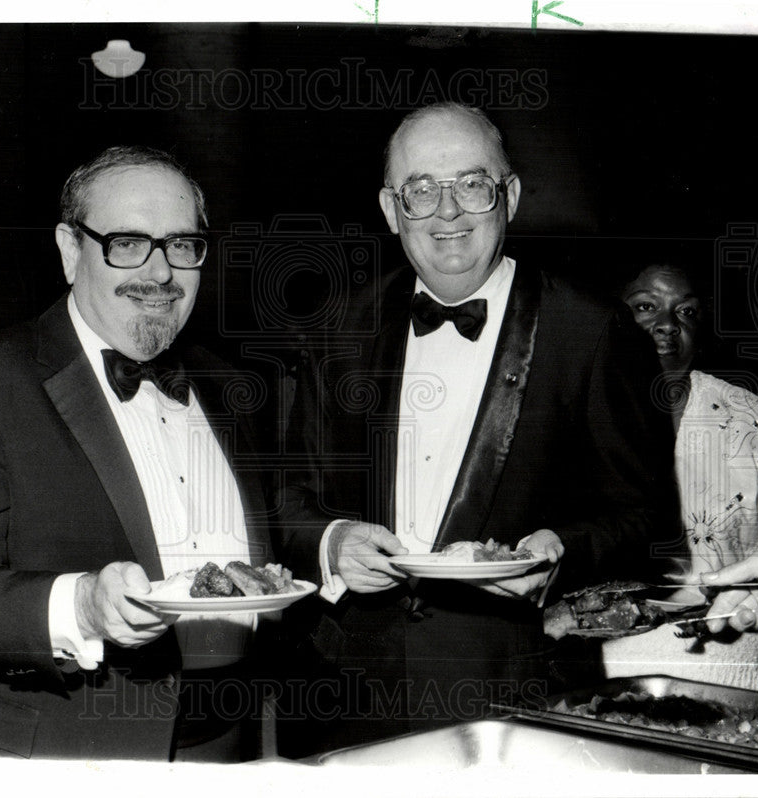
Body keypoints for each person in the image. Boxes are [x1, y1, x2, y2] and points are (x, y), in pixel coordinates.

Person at [274, 103, 678, 754]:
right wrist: (331, 541)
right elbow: (286, 501)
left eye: (472, 184)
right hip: (348, 692)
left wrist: (560, 553)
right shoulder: (336, 330)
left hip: (518, 691)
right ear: (389, 209)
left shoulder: (592, 332)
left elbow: (647, 520)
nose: (447, 212)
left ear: (510, 195)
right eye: (421, 190)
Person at [0, 146, 274, 760]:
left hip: (229, 746)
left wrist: (335, 542)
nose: (159, 274)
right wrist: (83, 607)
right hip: (57, 752)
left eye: (181, 245)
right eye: (127, 243)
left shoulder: (231, 386)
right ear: (71, 251)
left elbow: (276, 532)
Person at [602, 263, 758, 690]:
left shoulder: (747, 417)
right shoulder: (564, 409)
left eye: (687, 312)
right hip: (592, 669)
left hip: (725, 661)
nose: (666, 325)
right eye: (645, 307)